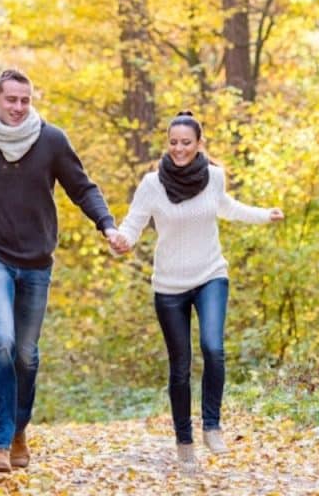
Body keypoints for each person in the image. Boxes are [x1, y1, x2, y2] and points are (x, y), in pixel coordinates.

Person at [0, 69, 122, 473]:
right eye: (11, 100)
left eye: (25, 100)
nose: (19, 108)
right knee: (1, 339)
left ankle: (19, 429)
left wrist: (106, 223)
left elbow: (82, 187)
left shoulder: (51, 140)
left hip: (37, 258)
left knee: (26, 355)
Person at [111, 110, 284, 471]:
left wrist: (263, 214)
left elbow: (228, 208)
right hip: (169, 286)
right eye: (173, 143)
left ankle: (212, 425)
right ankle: (184, 440)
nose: (178, 149)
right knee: (180, 366)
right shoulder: (152, 184)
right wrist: (121, 240)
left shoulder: (214, 178)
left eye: (186, 142)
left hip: (210, 275)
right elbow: (134, 223)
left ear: (199, 144)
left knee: (213, 347)